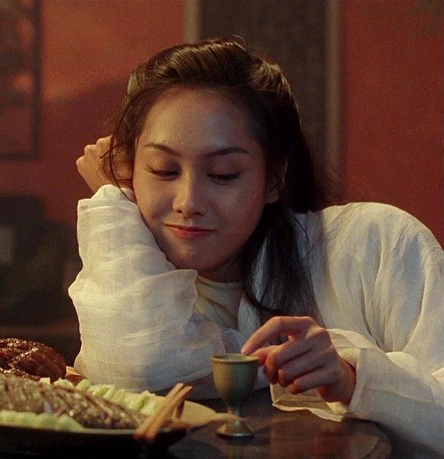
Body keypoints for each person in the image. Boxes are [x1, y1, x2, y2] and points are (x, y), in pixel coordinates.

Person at [71, 38, 444, 456]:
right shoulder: (134, 279)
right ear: (130, 174)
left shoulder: (374, 246)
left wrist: (356, 378)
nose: (188, 202)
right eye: (163, 170)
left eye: (223, 174)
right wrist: (113, 203)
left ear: (273, 180)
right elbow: (140, 367)